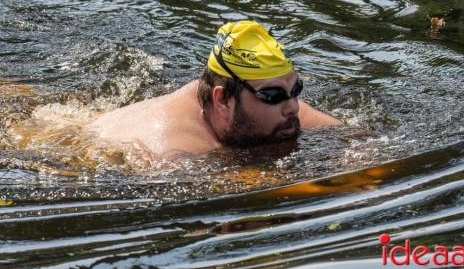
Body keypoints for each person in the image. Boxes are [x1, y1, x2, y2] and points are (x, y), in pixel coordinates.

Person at [88, 21, 342, 161]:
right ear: (223, 100)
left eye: (295, 89)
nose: (294, 106)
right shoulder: (174, 148)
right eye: (273, 95)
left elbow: (354, 141)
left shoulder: (277, 107)